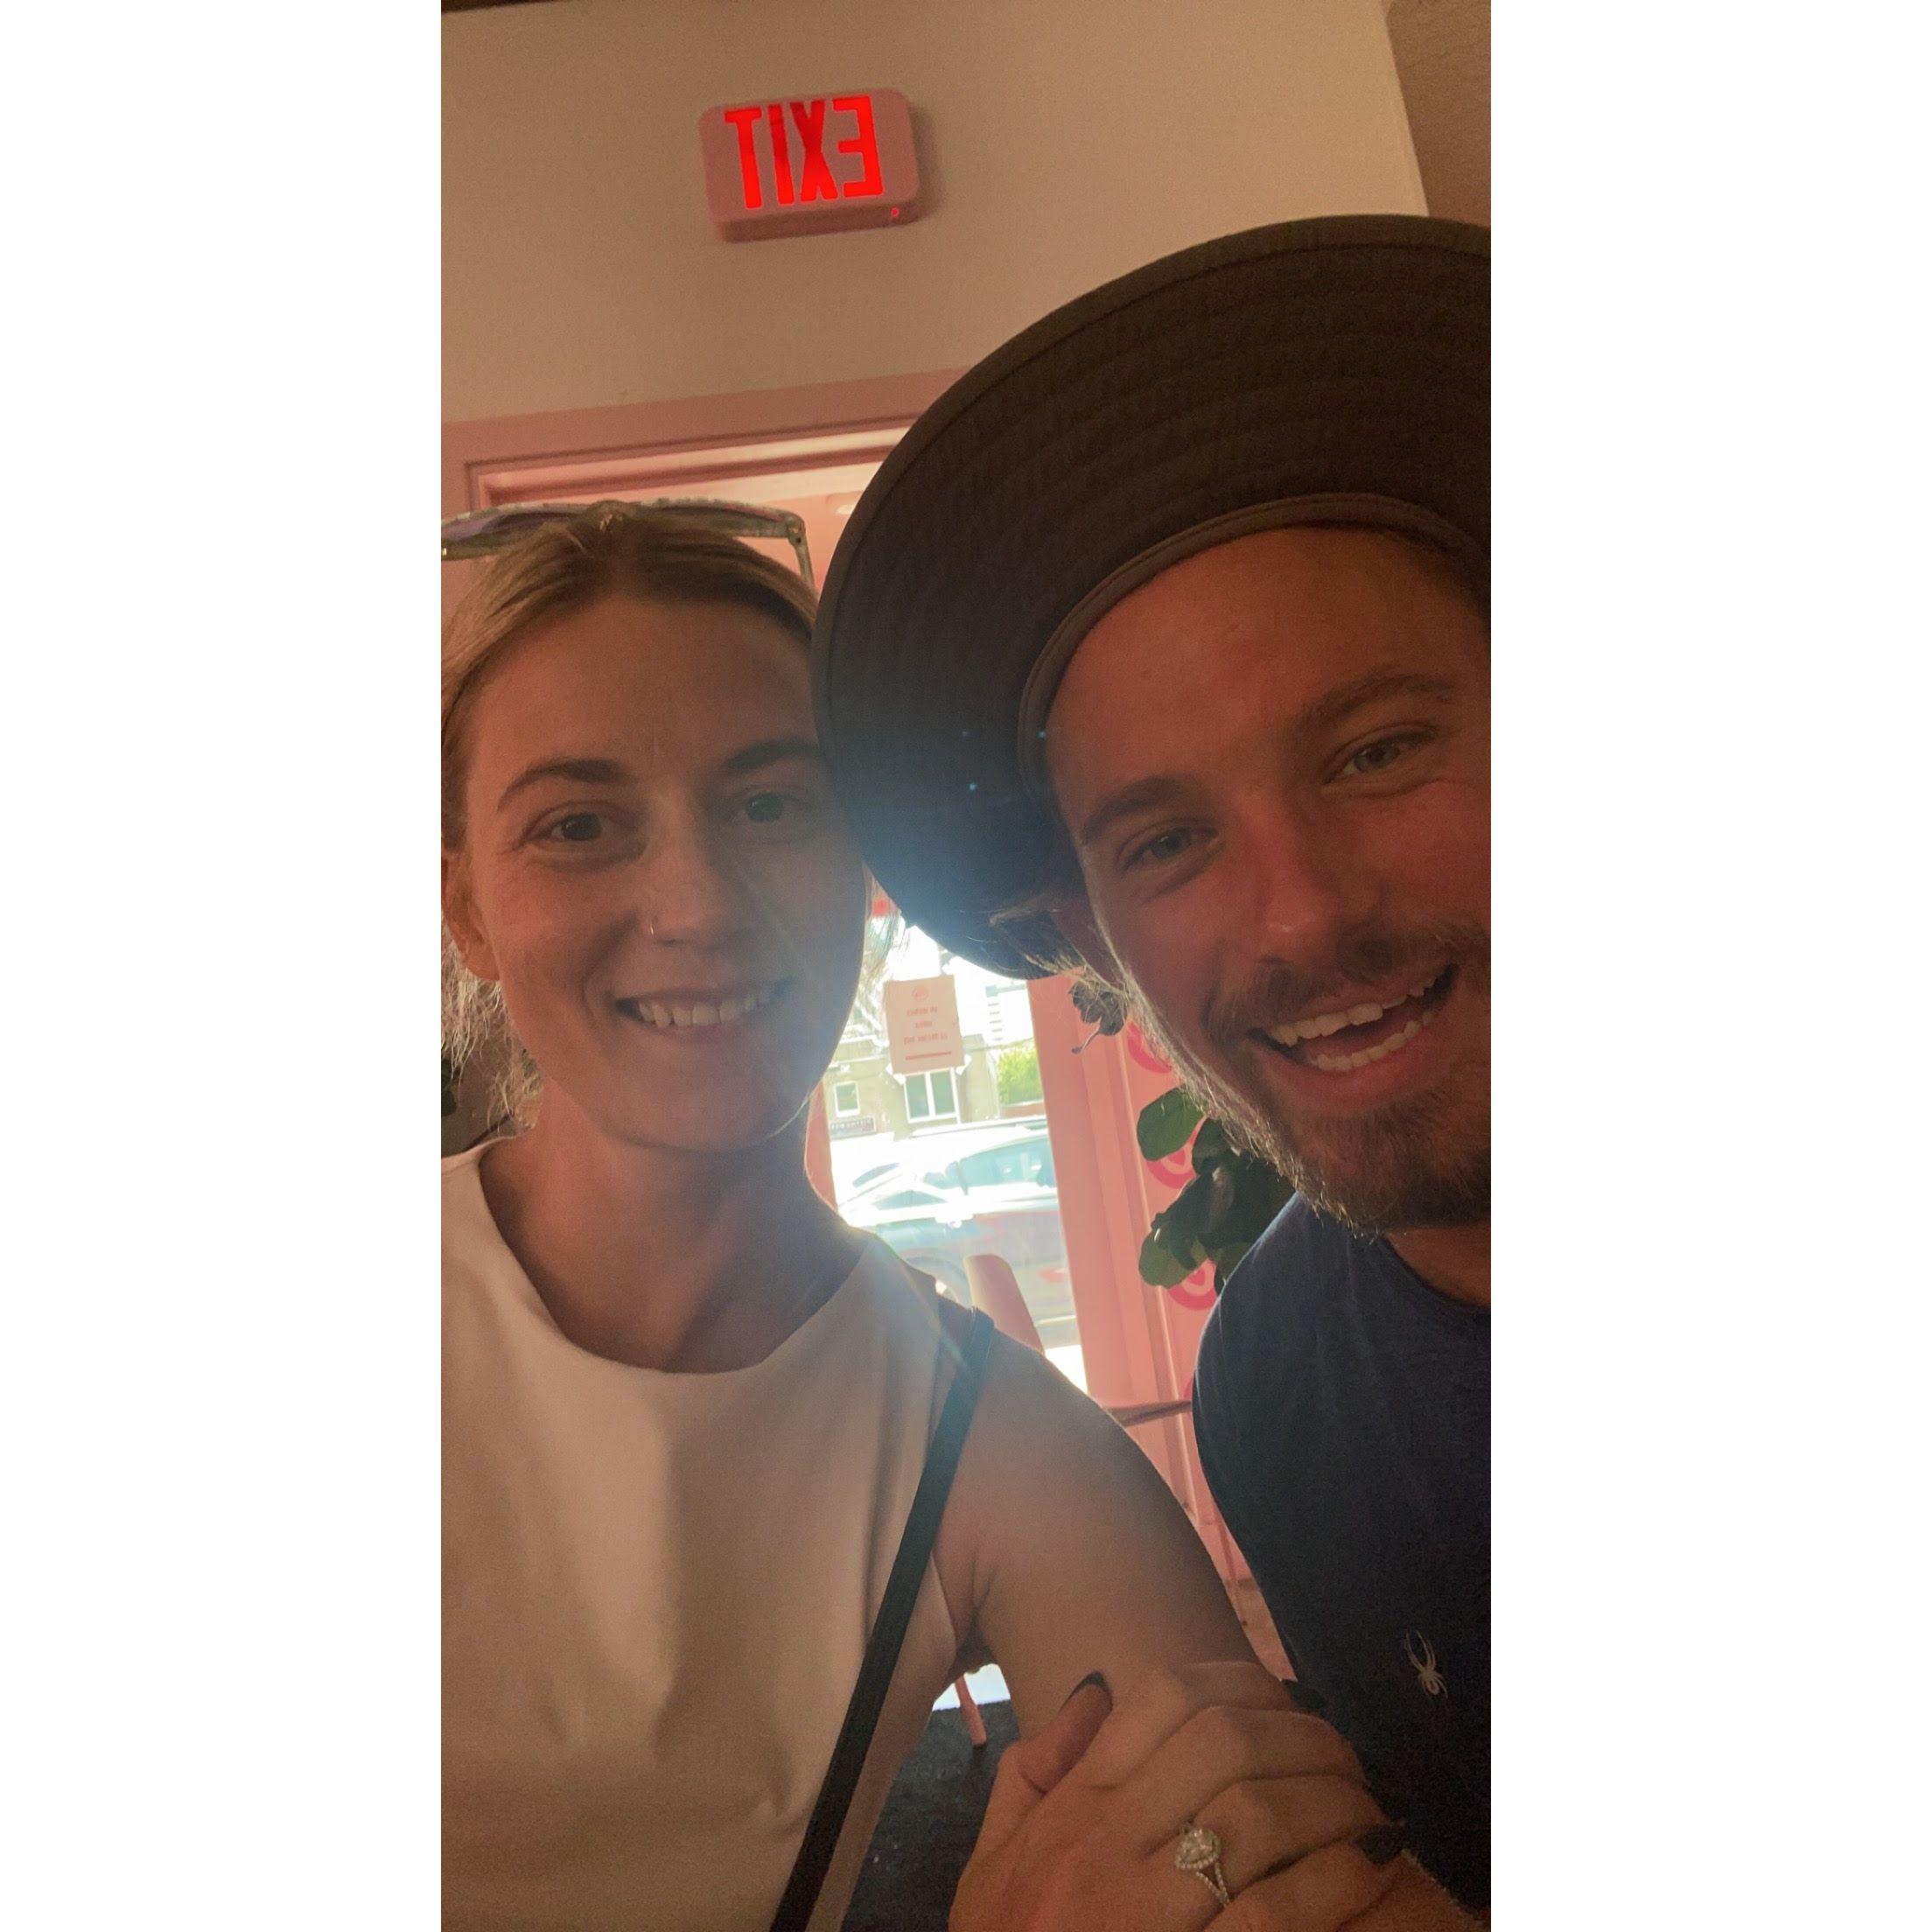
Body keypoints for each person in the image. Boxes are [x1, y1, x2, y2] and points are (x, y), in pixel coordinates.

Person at [438, 503, 1466, 1931]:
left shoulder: (992, 1443)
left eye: (771, 803)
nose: (695, 903)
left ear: (863, 872)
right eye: (578, 825)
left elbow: (1274, 1879)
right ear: (467, 910)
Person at [810, 216, 1491, 1913]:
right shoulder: (1281, 1379)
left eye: (1378, 749)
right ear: (1094, 939)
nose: (1302, 914)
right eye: (1168, 840)